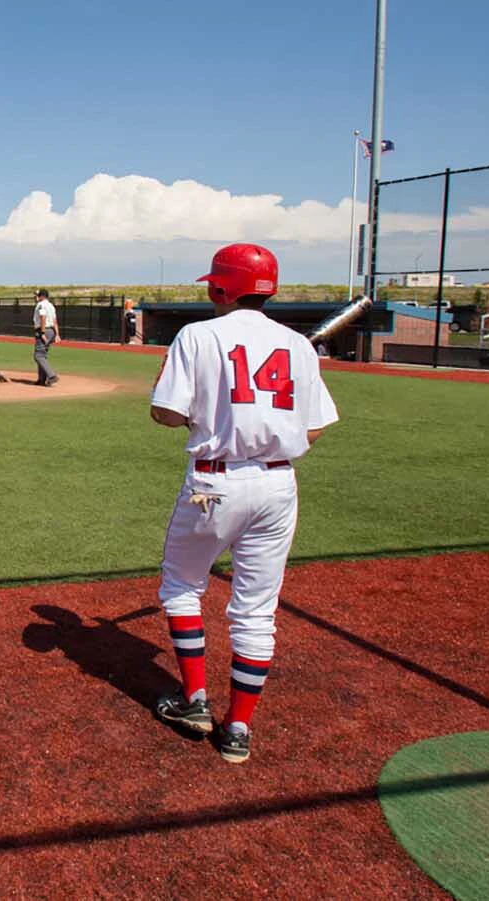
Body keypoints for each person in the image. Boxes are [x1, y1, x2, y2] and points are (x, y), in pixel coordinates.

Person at [147, 243, 339, 764]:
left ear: (221, 288)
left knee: (182, 586)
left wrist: (205, 419)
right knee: (257, 611)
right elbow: (316, 426)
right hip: (279, 486)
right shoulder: (298, 345)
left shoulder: (198, 335)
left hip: (214, 482)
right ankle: (237, 730)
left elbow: (164, 413)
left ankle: (194, 701)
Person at [32, 288, 60, 386]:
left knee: (38, 356)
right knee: (43, 355)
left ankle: (52, 376)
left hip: (44, 330)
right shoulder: (51, 305)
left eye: (37, 295)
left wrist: (42, 332)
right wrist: (57, 334)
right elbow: (55, 320)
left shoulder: (41, 305)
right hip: (51, 331)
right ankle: (41, 379)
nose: (36, 297)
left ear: (42, 296)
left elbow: (43, 317)